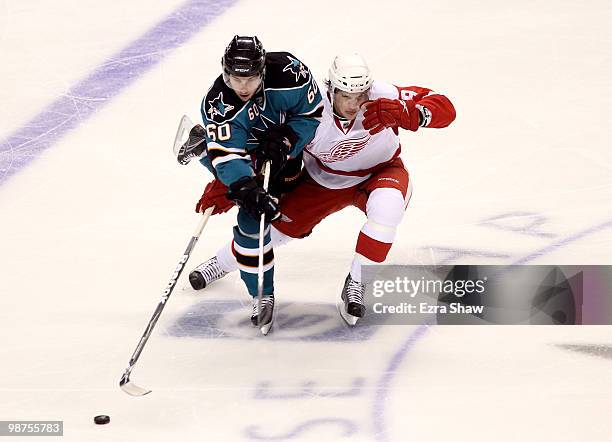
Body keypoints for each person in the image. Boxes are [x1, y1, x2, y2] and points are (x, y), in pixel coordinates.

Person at [188, 52, 455, 325]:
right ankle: (221, 263)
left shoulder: (381, 94)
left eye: (360, 95)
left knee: (387, 211)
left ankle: (357, 282)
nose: (354, 105)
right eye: (346, 96)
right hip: (323, 182)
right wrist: (227, 184)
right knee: (273, 232)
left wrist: (415, 113)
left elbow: (446, 108)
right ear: (330, 89)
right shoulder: (310, 110)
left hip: (383, 171)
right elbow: (261, 156)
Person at [182, 35, 323, 331]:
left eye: (250, 78)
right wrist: (245, 187)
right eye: (235, 78)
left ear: (262, 71)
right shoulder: (218, 105)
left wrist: (287, 139)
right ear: (225, 73)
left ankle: (201, 148)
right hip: (245, 153)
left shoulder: (289, 73)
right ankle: (262, 294)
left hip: (288, 154)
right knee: (251, 221)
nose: (243, 86)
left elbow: (312, 114)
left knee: (294, 216)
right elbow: (230, 159)